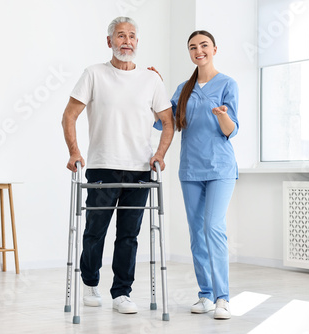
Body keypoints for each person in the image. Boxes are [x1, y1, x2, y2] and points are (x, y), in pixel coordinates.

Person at [61, 16, 174, 315]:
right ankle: (89, 282)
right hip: (102, 165)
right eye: (121, 36)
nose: (127, 41)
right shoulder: (94, 74)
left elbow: (168, 122)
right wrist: (74, 152)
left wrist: (159, 154)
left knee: (129, 234)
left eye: (132, 36)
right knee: (95, 231)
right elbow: (69, 115)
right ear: (109, 41)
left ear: (137, 42)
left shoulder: (151, 79)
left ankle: (122, 293)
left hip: (140, 169)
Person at [171, 30, 238, 320]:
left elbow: (230, 130)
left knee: (213, 227)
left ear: (214, 49)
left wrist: (222, 114)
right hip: (190, 170)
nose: (199, 51)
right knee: (197, 234)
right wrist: (152, 85)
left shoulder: (227, 84)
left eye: (204, 46)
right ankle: (206, 294)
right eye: (193, 47)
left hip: (220, 169)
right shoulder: (183, 89)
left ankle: (223, 297)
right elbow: (166, 122)